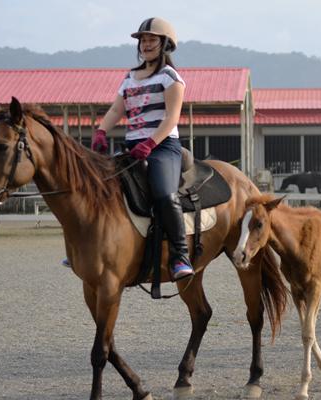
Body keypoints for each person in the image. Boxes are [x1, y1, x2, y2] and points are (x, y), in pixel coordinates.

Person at [90, 17, 193, 280]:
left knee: (164, 193)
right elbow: (116, 109)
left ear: (164, 44)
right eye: (143, 40)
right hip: (133, 146)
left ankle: (180, 256)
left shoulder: (171, 77)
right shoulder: (129, 77)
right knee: (98, 186)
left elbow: (171, 117)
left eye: (151, 40)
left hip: (163, 145)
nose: (145, 45)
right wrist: (101, 130)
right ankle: (89, 245)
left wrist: (150, 143)